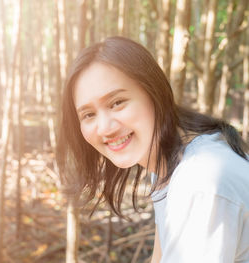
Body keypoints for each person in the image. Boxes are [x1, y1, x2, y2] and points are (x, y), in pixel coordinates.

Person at [56, 36, 249, 263]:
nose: (105, 128)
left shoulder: (200, 179)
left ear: (154, 92)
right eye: (88, 115)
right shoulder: (168, 163)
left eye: (117, 102)